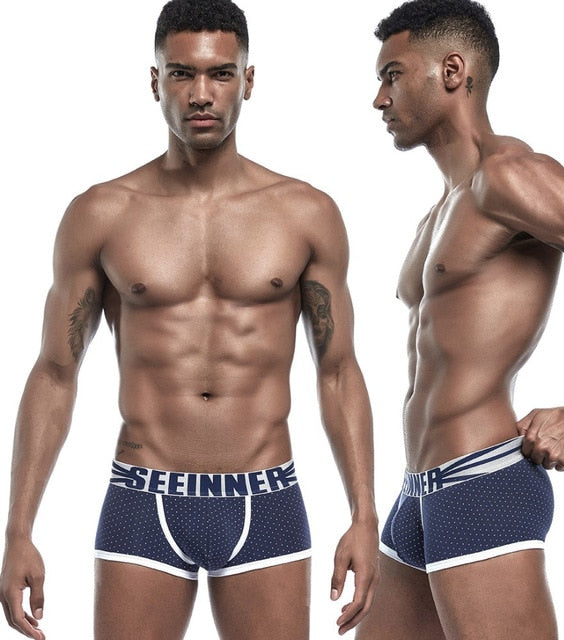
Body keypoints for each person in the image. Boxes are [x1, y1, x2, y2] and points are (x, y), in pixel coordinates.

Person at [0, 0, 380, 638]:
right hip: (142, 496)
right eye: (181, 73)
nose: (201, 94)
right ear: (156, 81)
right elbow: (55, 374)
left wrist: (364, 517)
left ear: (248, 81)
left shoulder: (305, 214)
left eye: (220, 74)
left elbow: (338, 371)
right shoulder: (102, 214)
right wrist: (18, 530)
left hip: (265, 496)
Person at [355, 1, 564, 639]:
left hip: (480, 483)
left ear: (453, 71)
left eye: (393, 75)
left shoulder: (508, 178)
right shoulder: (441, 210)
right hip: (418, 493)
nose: (379, 99)